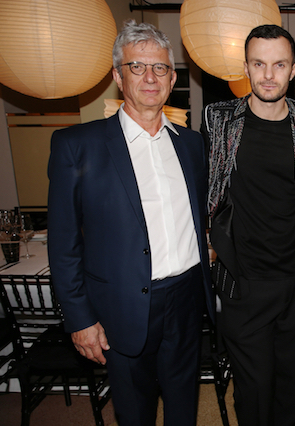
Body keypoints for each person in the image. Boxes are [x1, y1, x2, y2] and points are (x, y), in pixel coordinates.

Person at [48, 20, 213, 426]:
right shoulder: (77, 145)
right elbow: (63, 244)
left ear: (173, 78)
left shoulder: (192, 144)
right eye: (137, 67)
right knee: (134, 414)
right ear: (118, 77)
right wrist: (80, 319)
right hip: (122, 306)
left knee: (183, 409)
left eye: (160, 68)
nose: (150, 77)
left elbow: (198, 217)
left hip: (187, 300)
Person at [203, 24, 295, 426]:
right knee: (253, 388)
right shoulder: (218, 118)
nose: (269, 75)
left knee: (292, 382)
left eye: (279, 64)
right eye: (259, 64)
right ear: (245, 67)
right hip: (243, 278)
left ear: (293, 69)